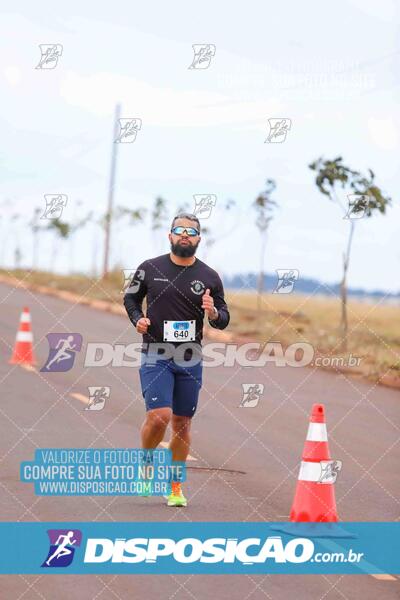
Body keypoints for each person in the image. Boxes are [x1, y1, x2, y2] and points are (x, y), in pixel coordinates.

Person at [124, 213, 230, 506]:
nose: (185, 235)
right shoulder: (149, 268)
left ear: (199, 239)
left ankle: (174, 487)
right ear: (169, 235)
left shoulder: (209, 277)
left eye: (191, 232)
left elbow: (223, 318)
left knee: (182, 423)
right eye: (179, 230)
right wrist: (138, 319)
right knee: (160, 416)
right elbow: (131, 298)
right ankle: (146, 464)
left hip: (189, 357)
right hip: (155, 353)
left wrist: (212, 313)